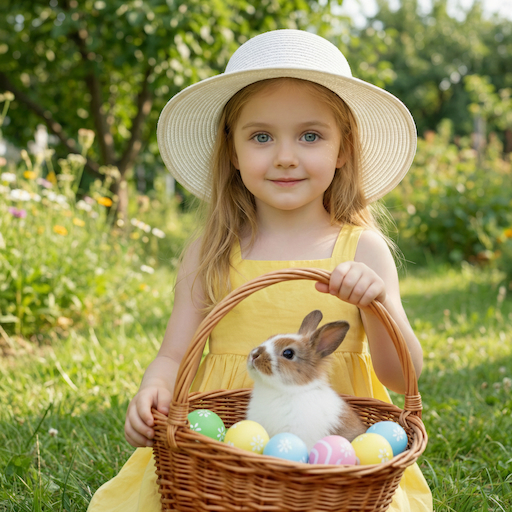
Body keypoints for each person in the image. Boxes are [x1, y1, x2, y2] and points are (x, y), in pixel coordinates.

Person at [88, 29, 432, 511]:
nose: (286, 156)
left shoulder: (362, 249)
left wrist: (375, 306)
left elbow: (402, 375)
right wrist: (154, 388)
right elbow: (173, 354)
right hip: (221, 454)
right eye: (261, 136)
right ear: (231, 150)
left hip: (337, 458)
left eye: (310, 136)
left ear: (343, 150)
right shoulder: (212, 250)